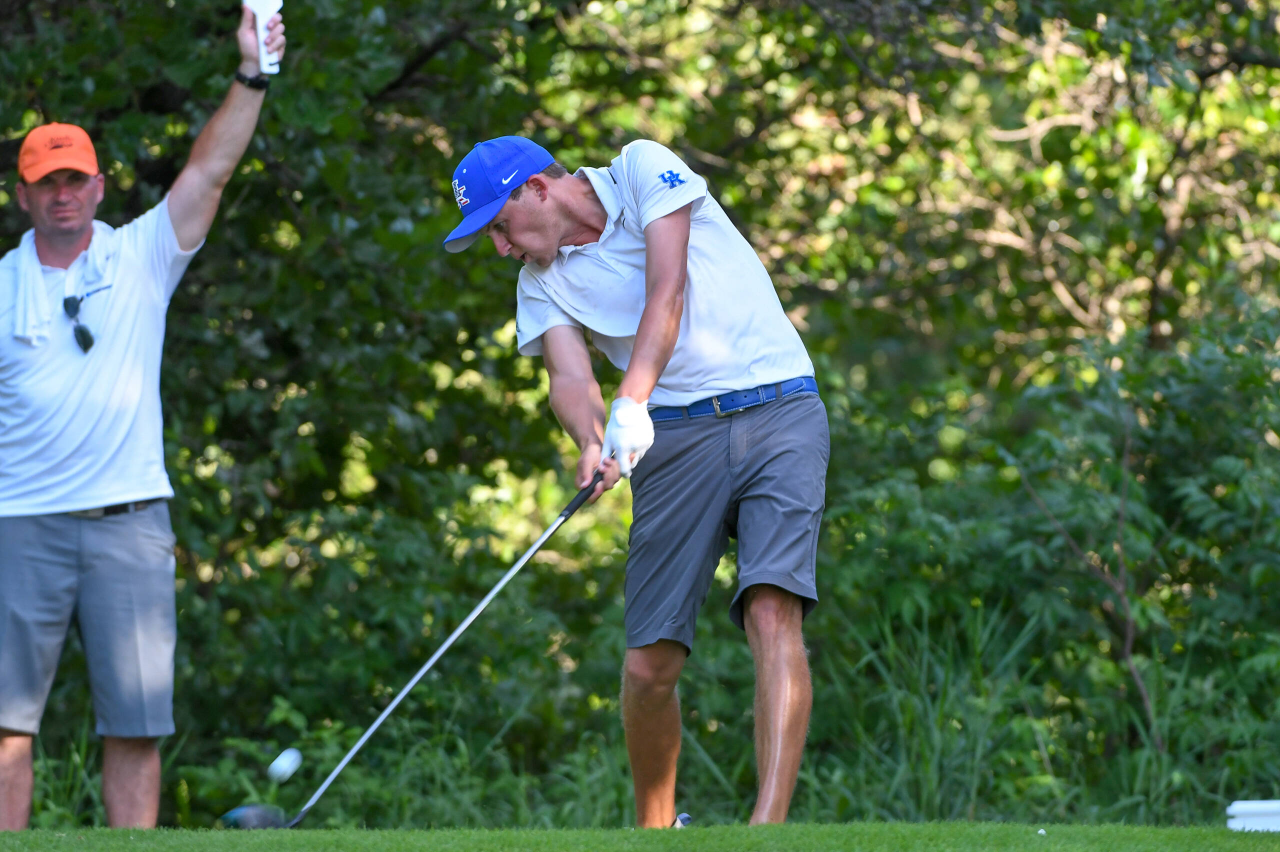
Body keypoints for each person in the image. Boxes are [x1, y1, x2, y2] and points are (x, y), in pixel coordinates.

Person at [442, 136, 829, 826]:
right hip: (675, 437)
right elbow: (569, 378)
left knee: (773, 608)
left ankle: (765, 835)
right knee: (650, 665)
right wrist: (595, 442)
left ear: (536, 187)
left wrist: (630, 403)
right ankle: (655, 832)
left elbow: (667, 288)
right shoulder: (541, 281)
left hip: (778, 404)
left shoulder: (641, 169)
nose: (501, 247)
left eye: (499, 225)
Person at [0, 7, 286, 830]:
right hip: (21, 525)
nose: (63, 193)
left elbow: (209, 172)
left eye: (75, 178)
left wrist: (252, 74)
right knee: (7, 728)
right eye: (46, 181)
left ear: (98, 184)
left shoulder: (139, 256)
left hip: (129, 524)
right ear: (23, 194)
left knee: (136, 725)